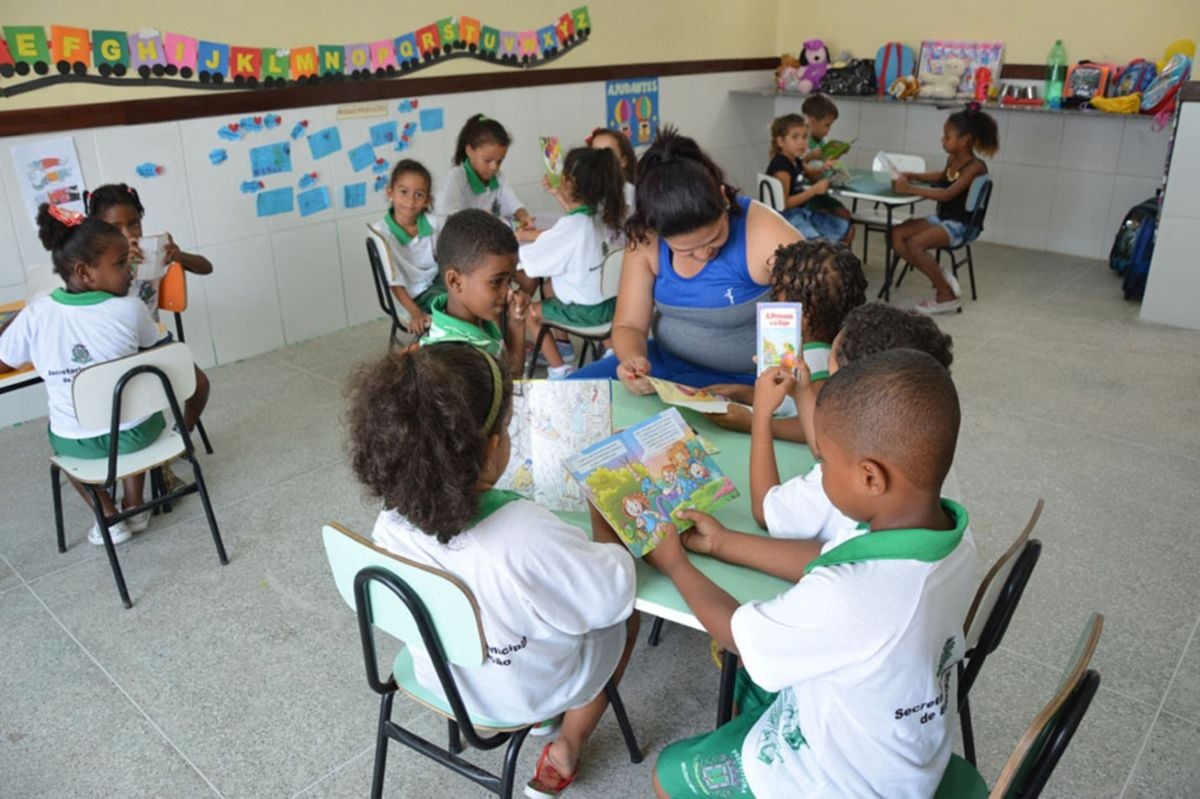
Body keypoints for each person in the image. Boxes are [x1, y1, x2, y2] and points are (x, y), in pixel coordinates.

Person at [641, 349, 977, 798]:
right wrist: (723, 543)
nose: (822, 473)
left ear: (870, 478)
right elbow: (827, 554)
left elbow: (737, 636)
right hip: (902, 755)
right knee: (748, 683)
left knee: (667, 775)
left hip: (841, 783)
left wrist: (675, 565)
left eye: (826, 465)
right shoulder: (951, 538)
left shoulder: (851, 595)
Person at [346, 343, 639, 798]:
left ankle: (549, 727)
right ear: (495, 447)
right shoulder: (523, 534)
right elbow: (614, 593)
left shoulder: (389, 522)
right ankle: (567, 744)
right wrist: (603, 506)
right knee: (627, 619)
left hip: (440, 675)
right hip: (523, 692)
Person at [0, 205, 193, 546]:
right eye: (121, 264)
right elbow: (158, 349)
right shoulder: (130, 308)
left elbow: (5, 360)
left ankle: (106, 514)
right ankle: (134, 504)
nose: (131, 272)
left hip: (77, 444)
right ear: (84, 272)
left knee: (63, 449)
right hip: (138, 436)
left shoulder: (37, 313)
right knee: (131, 410)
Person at [570, 127, 801, 389]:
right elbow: (629, 324)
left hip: (750, 378)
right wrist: (634, 360)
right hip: (665, 365)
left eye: (714, 238)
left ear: (723, 197)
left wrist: (753, 393)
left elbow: (813, 329)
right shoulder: (645, 238)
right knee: (568, 392)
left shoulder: (766, 233)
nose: (704, 254)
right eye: (686, 250)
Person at [754, 302, 954, 539]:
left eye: (830, 378)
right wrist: (802, 392)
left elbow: (765, 510)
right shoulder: (921, 450)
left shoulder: (834, 487)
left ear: (852, 390)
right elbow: (822, 447)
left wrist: (761, 415)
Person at [704, 240, 867, 439]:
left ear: (804, 314)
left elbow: (818, 426)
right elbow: (787, 399)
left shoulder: (818, 362)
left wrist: (754, 422)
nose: (772, 300)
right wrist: (741, 392)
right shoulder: (804, 350)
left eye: (777, 294)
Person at [517, 147, 626, 379]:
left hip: (588, 313)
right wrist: (557, 195)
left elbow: (534, 262)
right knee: (549, 288)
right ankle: (571, 348)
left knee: (528, 311)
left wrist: (516, 239)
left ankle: (560, 370)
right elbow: (573, 221)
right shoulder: (603, 215)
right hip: (611, 305)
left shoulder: (572, 227)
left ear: (568, 182)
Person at [891, 103, 1000, 314]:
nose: (942, 140)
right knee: (896, 234)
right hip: (944, 218)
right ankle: (939, 275)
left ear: (964, 140)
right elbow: (942, 177)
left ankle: (946, 295)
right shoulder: (953, 159)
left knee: (915, 244)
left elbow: (947, 193)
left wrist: (909, 189)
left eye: (947, 136)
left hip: (962, 225)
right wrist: (914, 175)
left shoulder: (975, 167)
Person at [422, 209, 530, 374]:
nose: (508, 292)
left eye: (510, 280)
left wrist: (516, 324)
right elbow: (509, 382)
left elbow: (507, 374)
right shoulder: (456, 361)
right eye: (496, 281)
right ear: (455, 281)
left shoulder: (480, 316)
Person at [85, 183, 213, 319]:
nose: (128, 234)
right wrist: (123, 264)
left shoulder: (151, 251)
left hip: (153, 330)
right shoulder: (97, 266)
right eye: (115, 228)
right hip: (118, 331)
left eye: (134, 224)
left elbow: (207, 268)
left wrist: (179, 256)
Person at [366, 159, 444, 336]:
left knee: (473, 296)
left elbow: (448, 258)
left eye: (419, 195)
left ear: (427, 200)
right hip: (413, 297)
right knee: (458, 307)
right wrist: (416, 313)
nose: (410, 201)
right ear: (390, 193)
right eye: (403, 192)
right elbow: (394, 283)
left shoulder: (433, 223)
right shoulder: (381, 233)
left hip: (436, 283)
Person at [436, 113, 534, 230]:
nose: (494, 167)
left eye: (499, 161)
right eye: (487, 160)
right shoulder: (457, 177)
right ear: (470, 151)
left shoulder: (499, 178)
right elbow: (449, 220)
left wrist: (523, 216)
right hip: (463, 238)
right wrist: (479, 218)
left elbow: (515, 206)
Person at [765, 114, 848, 241]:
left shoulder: (796, 160)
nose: (801, 142)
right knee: (818, 245)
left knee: (847, 229)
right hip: (787, 216)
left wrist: (824, 167)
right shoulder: (781, 166)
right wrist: (814, 190)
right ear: (780, 141)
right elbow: (784, 204)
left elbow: (813, 175)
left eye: (804, 137)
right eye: (795, 137)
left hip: (801, 212)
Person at [800, 94, 855, 241]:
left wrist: (837, 154)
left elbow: (823, 164)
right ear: (813, 121)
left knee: (846, 216)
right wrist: (809, 157)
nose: (828, 130)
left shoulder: (822, 141)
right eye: (827, 125)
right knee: (838, 224)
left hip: (822, 194)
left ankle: (841, 254)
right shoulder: (802, 143)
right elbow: (796, 166)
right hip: (807, 198)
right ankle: (830, 252)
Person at [587, 127, 638, 218]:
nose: (601, 159)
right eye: (595, 153)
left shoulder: (634, 196)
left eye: (608, 153)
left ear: (623, 161)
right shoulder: (588, 195)